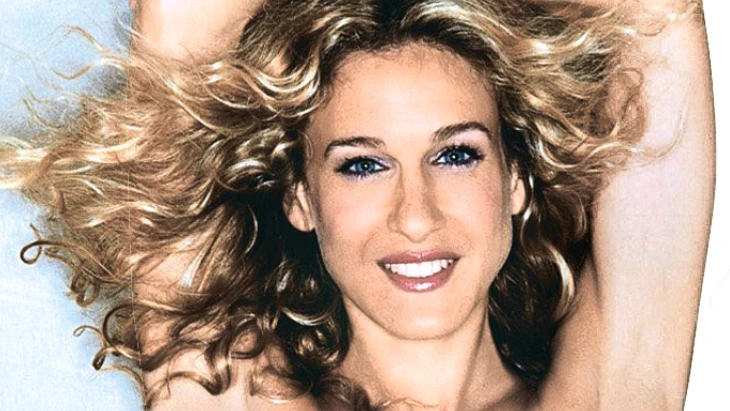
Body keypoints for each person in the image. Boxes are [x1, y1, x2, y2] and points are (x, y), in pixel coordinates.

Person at [0, 0, 714, 409]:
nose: (415, 214)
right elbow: (183, 32)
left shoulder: (615, 389)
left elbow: (654, 19)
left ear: (517, 179)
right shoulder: (230, 395)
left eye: (456, 154)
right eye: (363, 165)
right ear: (301, 198)